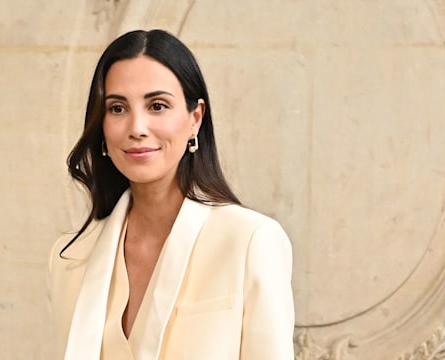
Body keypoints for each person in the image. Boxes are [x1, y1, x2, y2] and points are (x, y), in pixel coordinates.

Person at [48, 29, 294, 359]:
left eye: (158, 105)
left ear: (195, 118)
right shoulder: (69, 258)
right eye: (118, 108)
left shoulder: (250, 240)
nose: (137, 127)